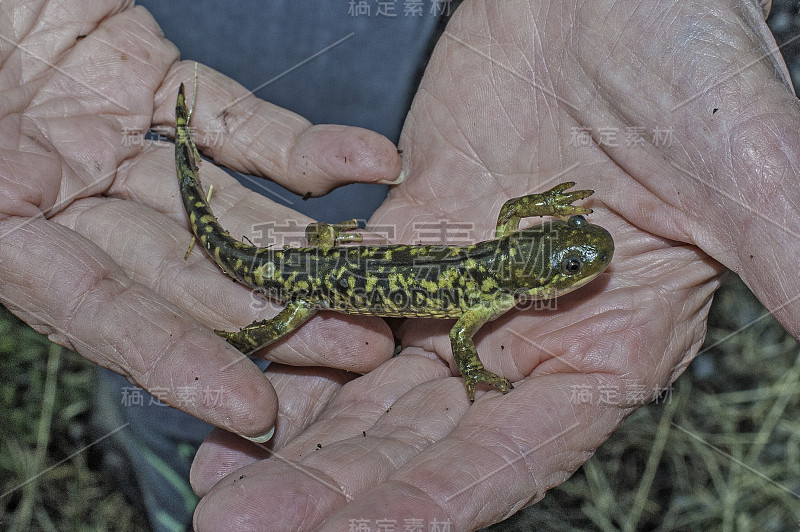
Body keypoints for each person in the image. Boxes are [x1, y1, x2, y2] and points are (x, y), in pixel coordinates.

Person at [1, 0, 796, 530]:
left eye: (576, 262)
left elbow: (511, 224)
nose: (587, 266)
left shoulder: (503, 257)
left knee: (358, 176)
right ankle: (178, 438)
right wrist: (479, 374)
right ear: (536, 278)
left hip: (333, 252)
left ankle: (182, 437)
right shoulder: (489, 290)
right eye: (573, 264)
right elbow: (458, 343)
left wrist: (545, 206)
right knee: (263, 328)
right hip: (305, 283)